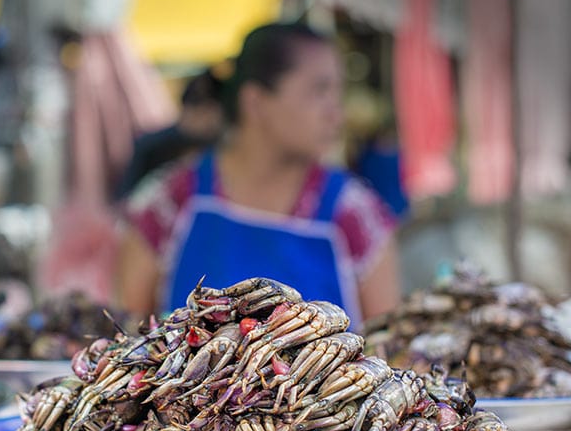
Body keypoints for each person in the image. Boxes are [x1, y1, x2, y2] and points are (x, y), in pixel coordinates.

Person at [114, 22, 402, 325]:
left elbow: (385, 348)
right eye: (319, 91)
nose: (336, 112)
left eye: (337, 93)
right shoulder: (171, 202)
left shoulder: (356, 214)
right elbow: (130, 333)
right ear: (256, 101)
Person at [116, 69, 224, 200]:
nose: (209, 119)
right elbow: (128, 200)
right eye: (204, 111)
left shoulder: (224, 146)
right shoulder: (152, 147)